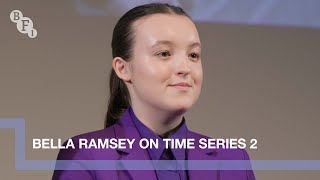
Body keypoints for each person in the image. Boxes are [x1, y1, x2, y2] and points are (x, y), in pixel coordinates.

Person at [52, 3, 255, 180]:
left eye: (193, 55)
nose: (185, 68)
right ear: (123, 68)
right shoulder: (88, 155)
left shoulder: (233, 160)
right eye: (164, 53)